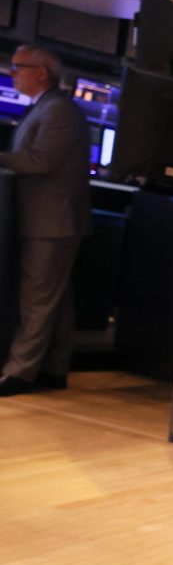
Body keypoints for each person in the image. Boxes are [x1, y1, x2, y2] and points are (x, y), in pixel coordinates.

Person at [0, 45, 92, 397]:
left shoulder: (59, 111)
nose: (12, 74)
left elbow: (40, 161)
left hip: (52, 221)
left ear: (41, 72)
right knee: (55, 298)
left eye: (17, 67)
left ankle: (19, 373)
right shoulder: (47, 107)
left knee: (37, 299)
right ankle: (54, 369)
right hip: (49, 220)